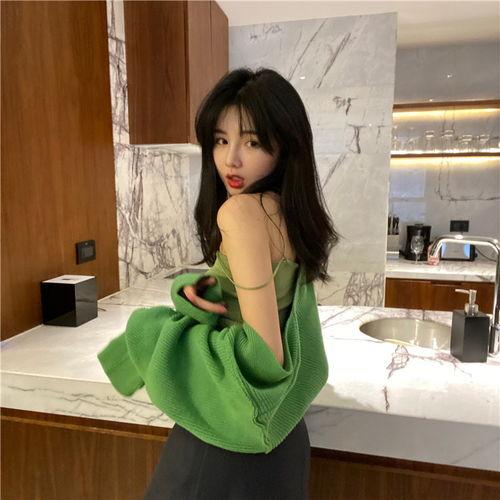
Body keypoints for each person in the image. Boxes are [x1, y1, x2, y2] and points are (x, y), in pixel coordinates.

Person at [143, 67, 340, 500]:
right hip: (282, 438)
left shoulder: (241, 213)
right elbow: (272, 300)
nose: (230, 159)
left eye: (251, 142)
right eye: (220, 140)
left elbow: (264, 357)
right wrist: (201, 287)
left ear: (283, 145)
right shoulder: (287, 211)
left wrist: (166, 336)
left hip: (226, 438)